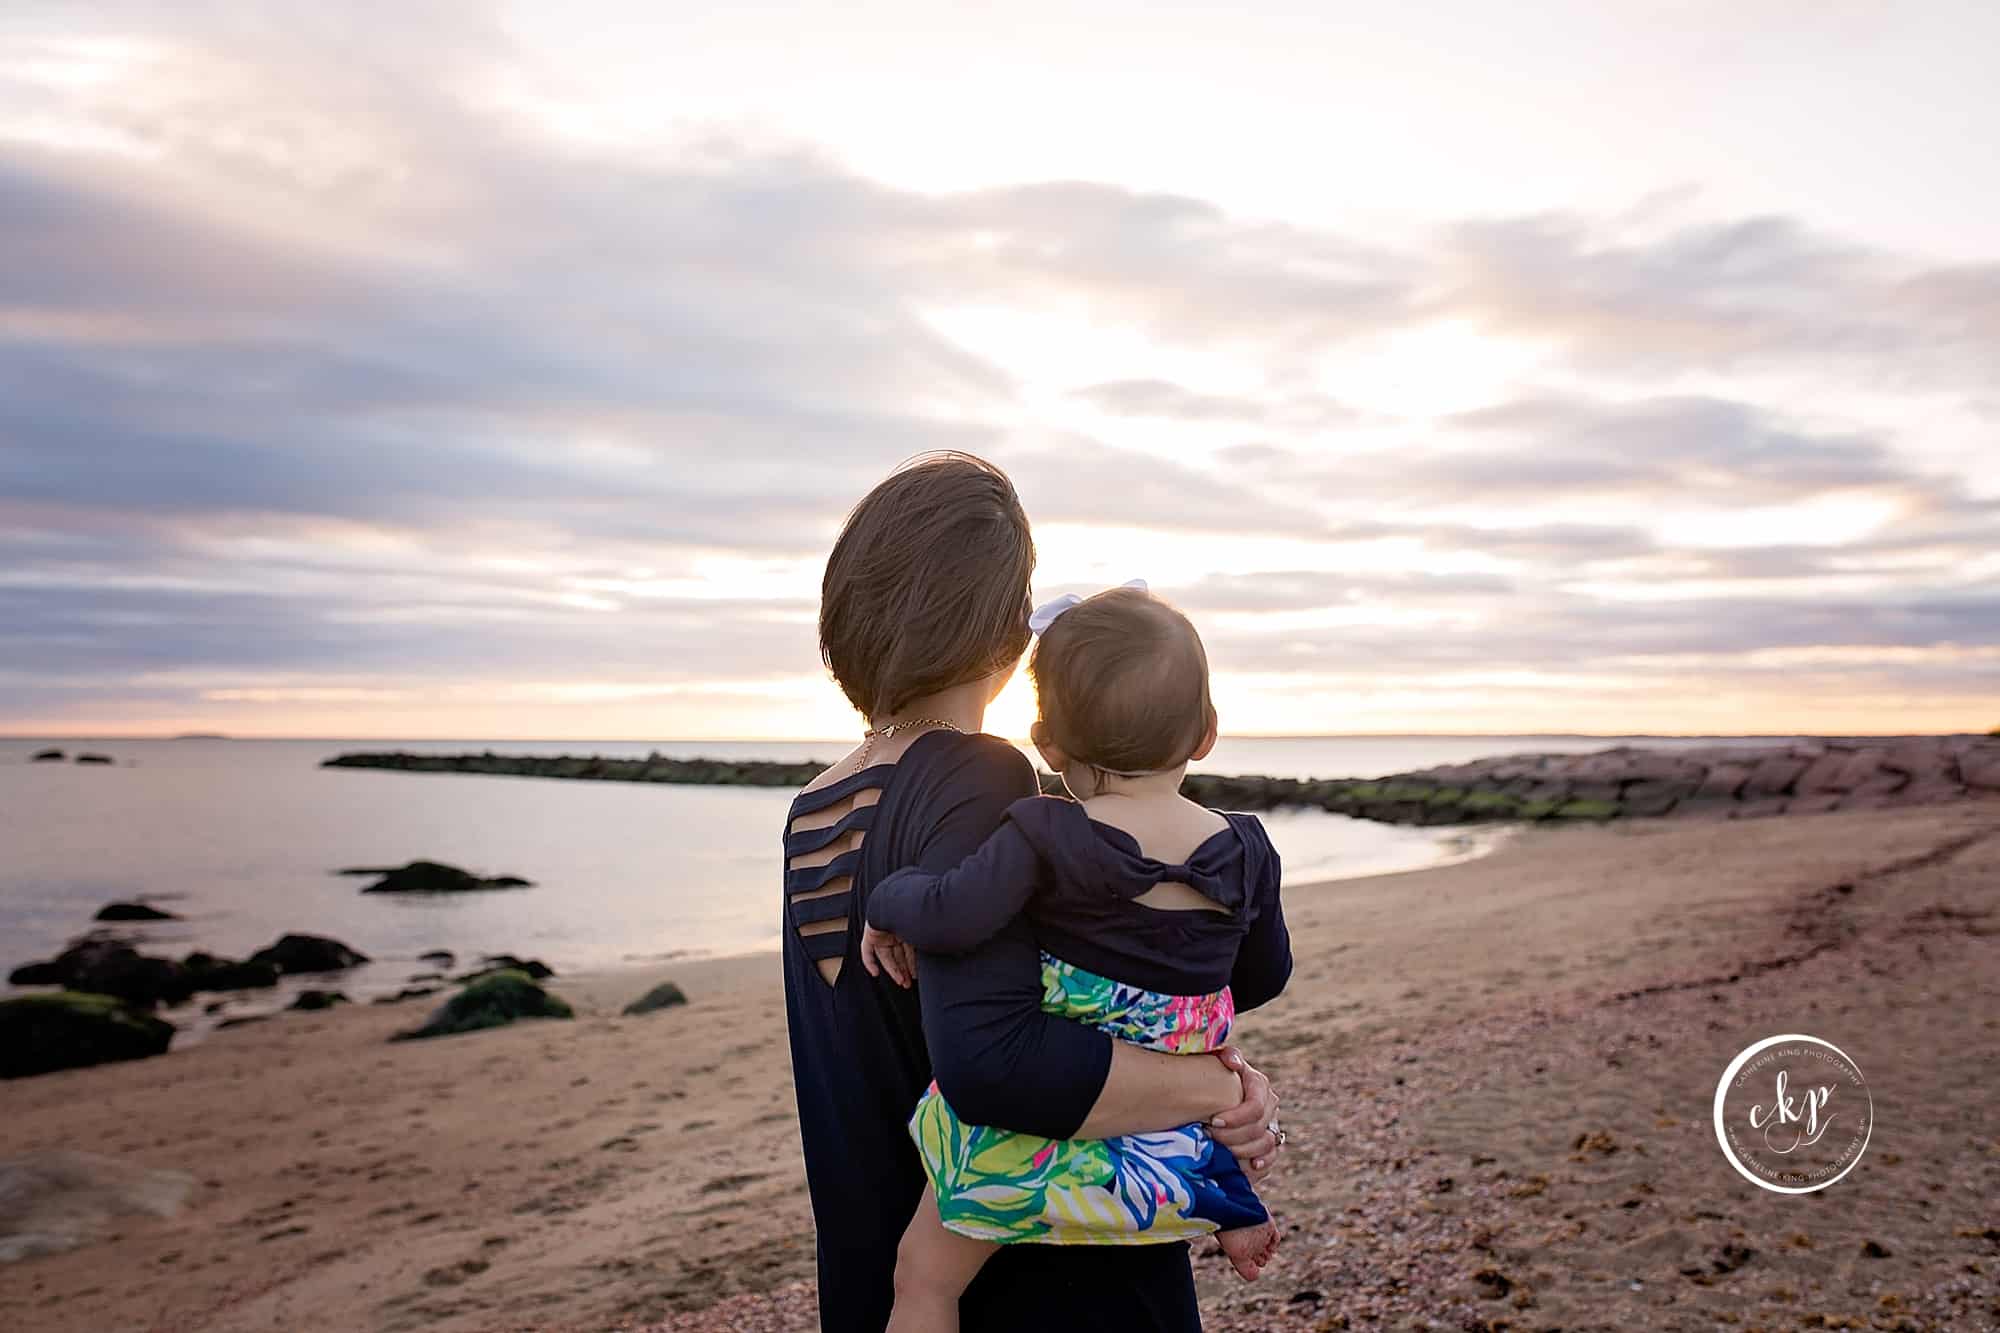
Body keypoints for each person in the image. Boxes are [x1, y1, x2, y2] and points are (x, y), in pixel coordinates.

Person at [782, 453, 1286, 1333]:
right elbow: (997, 1064)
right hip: (1044, 1287)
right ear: (1003, 626)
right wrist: (1214, 1084)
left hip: (876, 1275)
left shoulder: (816, 802)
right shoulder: (979, 776)